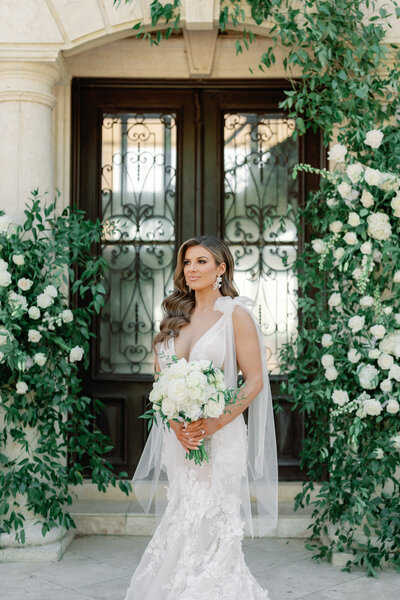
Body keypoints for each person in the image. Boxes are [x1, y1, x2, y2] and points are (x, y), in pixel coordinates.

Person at [123, 235, 278, 600]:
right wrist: (178, 427)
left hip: (220, 437)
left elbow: (254, 381)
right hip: (183, 438)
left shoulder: (235, 315)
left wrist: (214, 422)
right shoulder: (173, 319)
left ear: (221, 268)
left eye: (201, 262)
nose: (191, 269)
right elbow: (161, 383)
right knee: (183, 514)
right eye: (187, 263)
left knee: (213, 519)